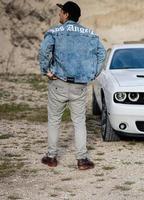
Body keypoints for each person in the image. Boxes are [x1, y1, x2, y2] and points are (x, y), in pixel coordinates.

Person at [39, 1, 106, 170]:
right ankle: (82, 160)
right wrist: (93, 73)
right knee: (79, 122)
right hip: (79, 85)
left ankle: (51, 157)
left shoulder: (54, 32)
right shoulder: (90, 34)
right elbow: (102, 53)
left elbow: (43, 51)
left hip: (58, 83)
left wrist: (45, 70)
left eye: (61, 12)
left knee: (54, 121)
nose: (59, 14)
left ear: (67, 14)